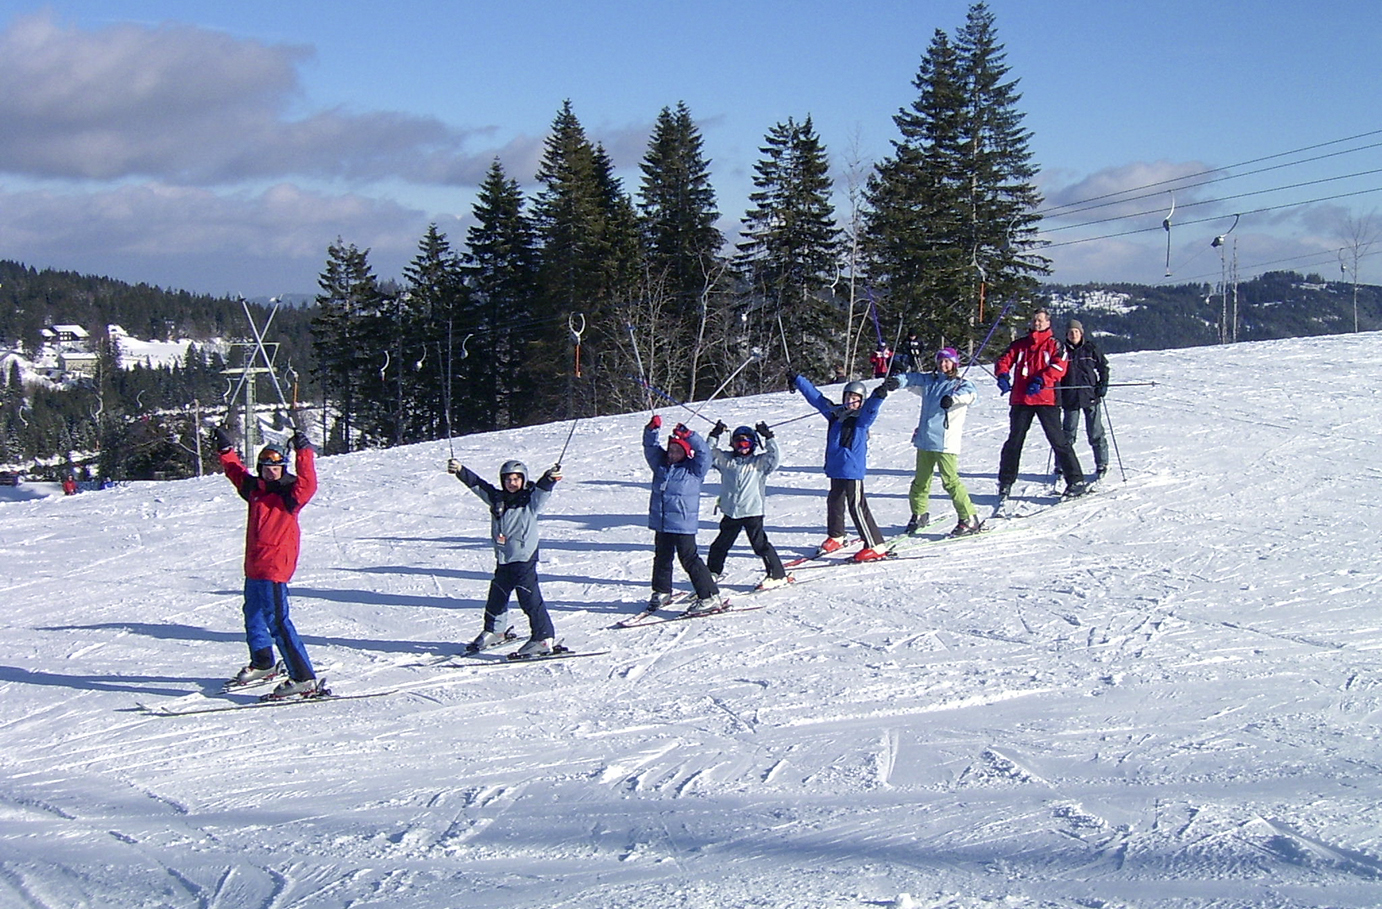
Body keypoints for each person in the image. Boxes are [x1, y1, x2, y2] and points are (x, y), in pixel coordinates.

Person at [214, 418, 320, 699]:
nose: (271, 472)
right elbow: (235, 472)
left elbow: (309, 484)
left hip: (275, 566)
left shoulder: (290, 494)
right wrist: (225, 449)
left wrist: (304, 452)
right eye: (266, 467)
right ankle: (263, 662)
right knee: (253, 614)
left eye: (276, 467)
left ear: (283, 467)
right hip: (254, 566)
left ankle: (303, 676)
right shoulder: (255, 491)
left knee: (277, 621)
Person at [446, 457, 561, 656]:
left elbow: (544, 489)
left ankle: (543, 637)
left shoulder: (531, 499)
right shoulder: (496, 499)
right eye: (508, 479)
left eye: (517, 479)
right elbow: (477, 484)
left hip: (524, 558)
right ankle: (495, 631)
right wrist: (460, 470)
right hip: (504, 558)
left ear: (524, 480)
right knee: (496, 596)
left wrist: (550, 477)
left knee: (529, 599)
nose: (512, 483)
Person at [793, 374, 892, 561]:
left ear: (861, 401)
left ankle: (875, 544)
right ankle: (837, 535)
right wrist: (798, 380)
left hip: (852, 470)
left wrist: (879, 394)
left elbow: (872, 409)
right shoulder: (835, 415)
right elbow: (817, 398)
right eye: (848, 397)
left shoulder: (862, 419)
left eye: (855, 399)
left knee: (856, 505)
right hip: (836, 468)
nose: (850, 402)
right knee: (835, 501)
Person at [994, 309, 1087, 499]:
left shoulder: (1055, 345)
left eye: (1040, 321)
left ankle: (1076, 480)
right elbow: (1004, 359)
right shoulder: (1020, 344)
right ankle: (1005, 482)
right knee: (1014, 441)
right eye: (1034, 320)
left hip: (1046, 399)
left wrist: (1041, 381)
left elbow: (1059, 367)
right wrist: (1002, 375)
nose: (1037, 323)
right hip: (1021, 399)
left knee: (1058, 440)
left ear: (1048, 323)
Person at [895, 347, 981, 536]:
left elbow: (971, 395)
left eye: (947, 361)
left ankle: (969, 517)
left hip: (945, 441)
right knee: (920, 481)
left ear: (955, 363)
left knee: (950, 481)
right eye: (941, 361)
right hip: (925, 439)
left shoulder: (960, 384)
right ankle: (919, 514)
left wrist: (953, 399)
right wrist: (896, 380)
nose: (943, 365)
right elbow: (911, 379)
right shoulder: (930, 382)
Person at [643, 416, 721, 614]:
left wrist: (689, 435)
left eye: (678, 451)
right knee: (662, 556)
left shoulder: (694, 470)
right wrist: (652, 429)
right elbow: (650, 447)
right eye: (671, 450)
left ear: (686, 452)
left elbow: (705, 453)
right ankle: (661, 591)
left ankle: (709, 595)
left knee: (688, 558)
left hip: (682, 522)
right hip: (662, 521)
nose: (672, 454)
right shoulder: (661, 466)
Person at [706, 421, 789, 590]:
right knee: (719, 545)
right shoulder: (726, 461)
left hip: (752, 511)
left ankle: (777, 574)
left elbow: (776, 457)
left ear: (753, 445)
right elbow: (707, 454)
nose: (742, 447)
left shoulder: (759, 463)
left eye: (746, 443)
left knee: (760, 545)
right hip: (731, 512)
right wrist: (714, 434)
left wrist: (769, 437)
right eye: (738, 443)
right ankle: (713, 571)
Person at [1057, 319, 1111, 482]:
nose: (1073, 334)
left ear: (1081, 333)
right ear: (1066, 334)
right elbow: (1055, 372)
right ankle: (1061, 465)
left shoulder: (1090, 348)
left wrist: (1103, 384)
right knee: (1067, 435)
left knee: (1095, 432)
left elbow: (1103, 368)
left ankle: (1102, 463)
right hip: (1070, 397)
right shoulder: (1062, 351)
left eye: (1076, 332)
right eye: (1070, 332)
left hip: (1090, 396)